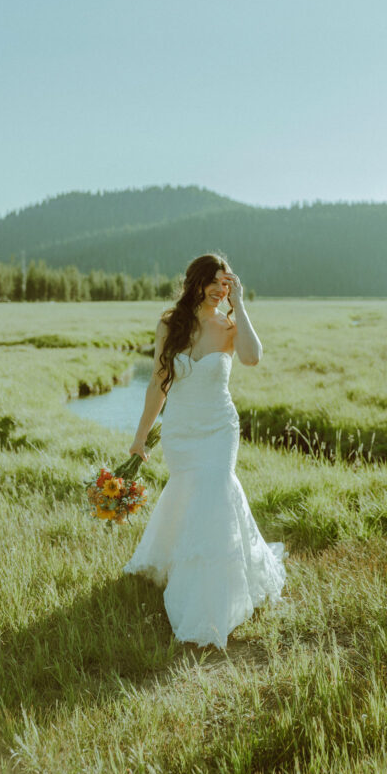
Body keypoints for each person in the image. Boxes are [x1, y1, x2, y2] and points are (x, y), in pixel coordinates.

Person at [124, 253, 285, 648]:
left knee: (215, 493)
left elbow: (253, 357)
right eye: (213, 281)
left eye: (226, 283)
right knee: (190, 499)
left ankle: (210, 604)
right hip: (181, 431)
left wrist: (241, 306)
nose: (219, 289)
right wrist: (140, 437)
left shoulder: (230, 326)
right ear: (194, 282)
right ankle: (186, 571)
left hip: (219, 429)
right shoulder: (169, 324)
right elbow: (158, 383)